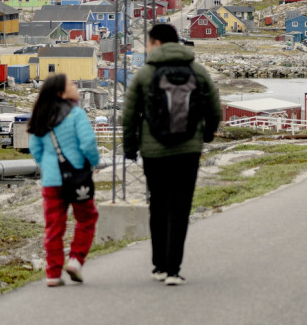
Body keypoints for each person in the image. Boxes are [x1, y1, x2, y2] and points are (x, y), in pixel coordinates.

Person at [122, 24, 221, 286]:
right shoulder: (197, 71)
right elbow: (214, 108)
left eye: (147, 43)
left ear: (155, 43)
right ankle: (174, 270)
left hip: (154, 152)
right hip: (188, 150)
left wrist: (130, 147)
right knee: (180, 206)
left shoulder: (145, 74)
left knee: (158, 205)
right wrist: (206, 135)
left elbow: (129, 115)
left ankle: (159, 266)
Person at [29, 74, 100, 287]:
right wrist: (91, 163)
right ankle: (76, 260)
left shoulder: (41, 116)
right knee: (87, 218)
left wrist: (49, 166)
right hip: (77, 177)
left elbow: (35, 149)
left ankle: (53, 273)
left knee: (54, 226)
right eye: (71, 84)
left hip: (52, 181)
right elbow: (88, 143)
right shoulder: (76, 114)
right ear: (62, 93)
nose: (76, 86)